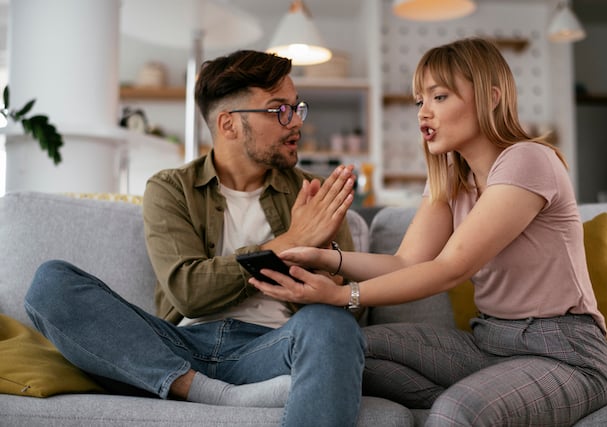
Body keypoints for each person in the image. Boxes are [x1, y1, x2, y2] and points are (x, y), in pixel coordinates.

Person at [251, 38, 607, 426]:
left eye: (439, 97)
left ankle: (477, 401)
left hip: (564, 353)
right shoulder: (451, 179)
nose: (423, 113)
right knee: (341, 351)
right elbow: (406, 262)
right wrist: (326, 257)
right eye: (418, 102)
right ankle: (494, 393)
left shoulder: (528, 160)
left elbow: (450, 268)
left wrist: (344, 295)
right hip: (488, 342)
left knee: (458, 411)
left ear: (491, 97)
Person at [24, 50, 365, 427]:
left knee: (333, 327)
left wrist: (327, 272)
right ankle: (208, 391)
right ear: (229, 124)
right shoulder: (172, 188)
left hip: (272, 346)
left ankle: (203, 388)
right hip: (177, 347)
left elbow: (350, 303)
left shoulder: (312, 193)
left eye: (297, 108)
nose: (295, 122)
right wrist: (289, 241)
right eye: (279, 110)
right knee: (50, 283)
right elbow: (188, 292)